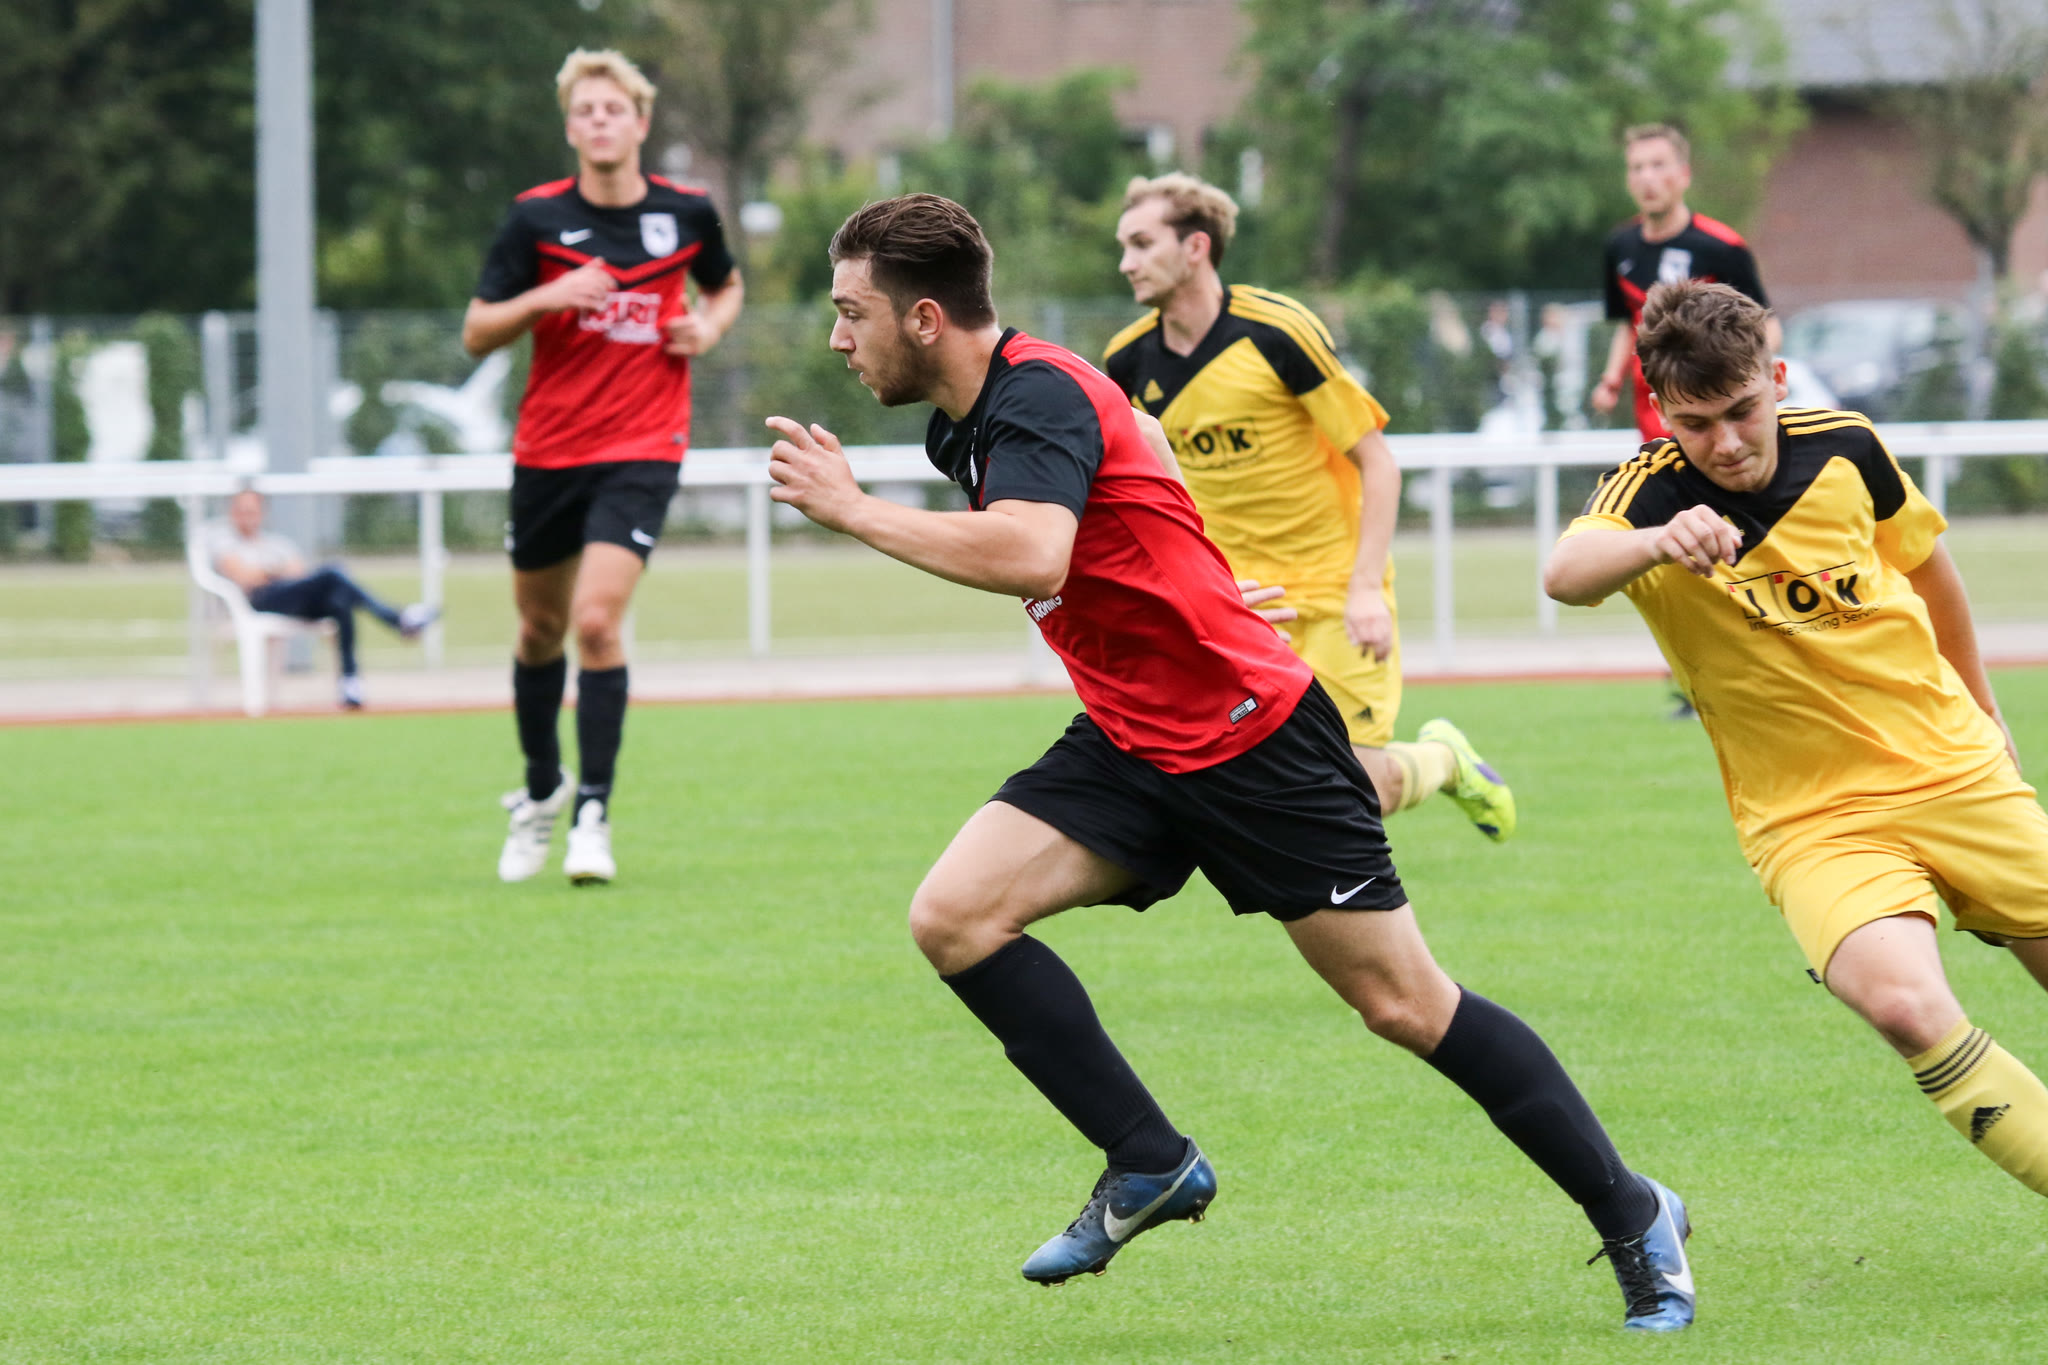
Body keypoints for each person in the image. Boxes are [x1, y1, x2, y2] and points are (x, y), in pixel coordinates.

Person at [763, 193, 1695, 1331]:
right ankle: (1147, 1160)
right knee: (954, 917)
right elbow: (1144, 451)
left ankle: (1634, 1210)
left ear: (921, 318)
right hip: (1128, 736)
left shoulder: (1035, 392)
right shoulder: (967, 422)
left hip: (1251, 740)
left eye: (849, 312)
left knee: (1404, 1004)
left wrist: (855, 511)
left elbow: (1032, 552)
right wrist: (1192, 566)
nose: (836, 338)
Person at [1546, 279, 2048, 1204]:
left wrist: (1986, 709)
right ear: (1663, 413)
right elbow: (1565, 573)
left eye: (1743, 410)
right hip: (1815, 821)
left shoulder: (1847, 446)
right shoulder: (1650, 494)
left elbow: (1930, 570)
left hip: (1953, 767)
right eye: (1697, 424)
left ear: (1775, 379)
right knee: (1903, 1004)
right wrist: (1656, 543)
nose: (1727, 442)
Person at [1103, 173, 1514, 840]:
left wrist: (1365, 589)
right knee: (1240, 778)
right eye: (1123, 246)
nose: (1126, 262)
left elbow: (1378, 463)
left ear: (1196, 247)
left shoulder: (1276, 332)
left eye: (1142, 244)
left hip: (1331, 588)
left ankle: (1444, 760)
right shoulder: (1126, 362)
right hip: (1238, 600)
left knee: (1355, 786)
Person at [463, 48, 744, 886]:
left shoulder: (687, 212)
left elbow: (725, 287)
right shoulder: (535, 219)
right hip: (549, 450)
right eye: (585, 111)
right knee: (538, 629)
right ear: (570, 127)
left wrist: (707, 328)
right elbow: (477, 330)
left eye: (613, 108)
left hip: (643, 447)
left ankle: (593, 813)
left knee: (594, 623)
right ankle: (540, 789)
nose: (600, 121)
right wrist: (545, 298)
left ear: (640, 122)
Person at [1591, 124, 1777, 442]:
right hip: (1652, 408)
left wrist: (1737, 377)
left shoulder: (1722, 247)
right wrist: (1610, 381)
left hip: (1709, 405)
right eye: (1637, 168)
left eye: (1658, 165)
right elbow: (1628, 324)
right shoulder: (1619, 246)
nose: (1647, 177)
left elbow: (1768, 327)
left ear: (1684, 175)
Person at [206, 487, 435, 709]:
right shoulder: (225, 543)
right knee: (333, 574)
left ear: (262, 513)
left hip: (292, 599)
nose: (247, 517)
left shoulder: (277, 543)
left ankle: (350, 682)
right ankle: (396, 620)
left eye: (252, 511)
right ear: (232, 512)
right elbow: (245, 577)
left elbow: (298, 573)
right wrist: (275, 571)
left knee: (340, 601)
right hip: (259, 602)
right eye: (242, 511)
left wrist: (266, 572)